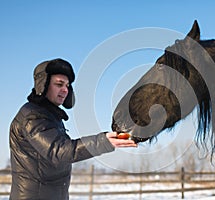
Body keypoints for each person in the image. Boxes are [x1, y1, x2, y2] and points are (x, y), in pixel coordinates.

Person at [9, 58, 137, 200]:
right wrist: (103, 141)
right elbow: (60, 151)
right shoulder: (32, 116)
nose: (65, 90)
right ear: (43, 85)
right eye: (59, 84)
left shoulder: (50, 116)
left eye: (67, 85)